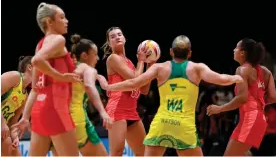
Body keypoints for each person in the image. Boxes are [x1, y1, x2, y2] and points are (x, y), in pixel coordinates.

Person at [98, 35, 243, 156]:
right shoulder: (197, 68)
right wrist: (236, 78)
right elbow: (221, 79)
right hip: (184, 126)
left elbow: (134, 83)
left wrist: (109, 86)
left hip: (162, 124)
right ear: (190, 53)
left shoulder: (160, 68)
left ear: (171, 52)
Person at [13, 2, 81, 156]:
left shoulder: (40, 45)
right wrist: (61, 76)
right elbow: (36, 60)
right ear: (49, 22)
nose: (66, 21)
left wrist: (25, 117)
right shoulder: (59, 40)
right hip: (56, 109)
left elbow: (36, 87)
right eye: (62, 17)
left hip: (40, 110)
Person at [207, 38, 276, 156]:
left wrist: (219, 108)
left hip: (250, 120)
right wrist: (256, 103)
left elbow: (242, 98)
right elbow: (273, 98)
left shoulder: (242, 70)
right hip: (259, 120)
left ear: (242, 53)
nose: (234, 50)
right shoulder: (266, 72)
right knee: (243, 154)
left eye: (236, 47)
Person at [51, 34, 113, 156]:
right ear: (85, 56)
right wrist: (103, 112)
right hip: (76, 119)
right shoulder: (86, 68)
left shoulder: (62, 68)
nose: (98, 58)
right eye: (95, 54)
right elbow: (90, 86)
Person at [100, 26, 150, 156]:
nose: (117, 37)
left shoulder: (129, 62)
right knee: (117, 152)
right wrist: (141, 61)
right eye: (113, 36)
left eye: (119, 34)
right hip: (117, 110)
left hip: (131, 111)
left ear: (125, 38)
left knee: (144, 153)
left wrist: (150, 65)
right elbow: (135, 80)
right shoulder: (113, 58)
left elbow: (144, 89)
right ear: (109, 43)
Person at [1, 56, 33, 156]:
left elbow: (12, 122)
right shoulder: (15, 76)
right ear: (30, 67)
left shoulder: (25, 96)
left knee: (15, 151)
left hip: (2, 127)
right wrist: (2, 123)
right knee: (6, 143)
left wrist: (15, 137)